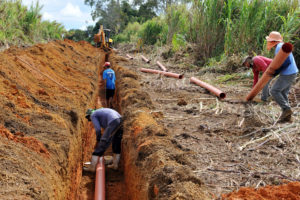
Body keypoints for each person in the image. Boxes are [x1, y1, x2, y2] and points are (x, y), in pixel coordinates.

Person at [266, 31, 298, 122]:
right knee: (283, 93)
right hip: (292, 72)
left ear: (273, 41)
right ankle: (287, 116)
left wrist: (275, 72)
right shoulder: (281, 46)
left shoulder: (280, 47)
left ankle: (286, 109)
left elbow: (286, 62)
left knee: (274, 90)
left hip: (288, 73)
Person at [84, 108, 123, 172]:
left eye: (89, 119)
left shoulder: (93, 115)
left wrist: (99, 139)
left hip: (113, 121)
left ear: (89, 116)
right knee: (116, 143)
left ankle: (92, 167)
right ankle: (115, 165)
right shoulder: (101, 112)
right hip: (120, 121)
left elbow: (98, 129)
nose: (90, 120)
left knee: (102, 144)